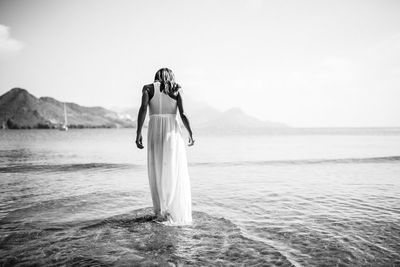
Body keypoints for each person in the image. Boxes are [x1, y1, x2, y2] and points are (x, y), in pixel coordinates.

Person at [135, 68, 195, 225]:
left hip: (154, 132)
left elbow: (142, 110)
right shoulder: (177, 88)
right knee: (173, 170)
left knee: (157, 170)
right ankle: (173, 212)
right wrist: (190, 133)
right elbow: (183, 114)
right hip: (172, 133)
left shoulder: (147, 88)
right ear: (171, 77)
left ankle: (161, 212)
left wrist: (138, 133)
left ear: (156, 76)